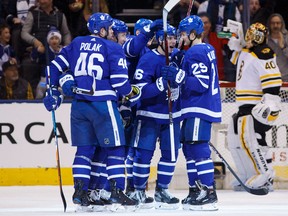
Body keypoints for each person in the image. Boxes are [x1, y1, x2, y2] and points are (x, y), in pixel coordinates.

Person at [42, 12, 141, 211]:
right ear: (103, 30)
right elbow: (120, 83)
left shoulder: (77, 43)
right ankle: (116, 194)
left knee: (84, 151)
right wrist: (132, 93)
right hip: (102, 105)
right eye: (110, 28)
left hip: (79, 106)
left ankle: (80, 193)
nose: (112, 32)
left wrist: (52, 90)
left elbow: (52, 67)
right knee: (115, 149)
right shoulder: (112, 47)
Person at [129, 24, 185, 209]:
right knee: (144, 154)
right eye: (168, 38)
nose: (172, 41)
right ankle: (138, 190)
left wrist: (178, 88)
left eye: (174, 38)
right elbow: (138, 90)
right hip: (149, 115)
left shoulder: (177, 57)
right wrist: (160, 84)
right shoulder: (147, 59)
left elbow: (186, 79)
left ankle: (162, 190)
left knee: (170, 155)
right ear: (159, 39)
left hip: (172, 116)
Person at [227, 22, 282, 192]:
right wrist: (236, 43)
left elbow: (273, 82)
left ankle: (264, 175)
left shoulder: (263, 53)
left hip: (255, 106)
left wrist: (271, 103)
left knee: (252, 141)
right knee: (234, 142)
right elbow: (236, 61)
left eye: (251, 36)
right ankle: (246, 175)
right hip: (242, 105)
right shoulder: (247, 51)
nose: (249, 38)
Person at [176, 15, 221, 211]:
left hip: (198, 106)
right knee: (189, 149)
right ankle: (195, 190)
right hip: (195, 107)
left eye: (184, 34)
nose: (181, 37)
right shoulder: (205, 49)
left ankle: (208, 192)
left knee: (198, 149)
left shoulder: (196, 52)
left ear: (193, 34)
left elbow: (201, 83)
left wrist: (180, 75)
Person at [21, 0, 72, 94]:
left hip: (55, 51)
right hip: (38, 51)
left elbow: (66, 33)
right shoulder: (33, 13)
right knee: (29, 64)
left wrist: (66, 48)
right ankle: (31, 97)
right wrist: (35, 42)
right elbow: (24, 33)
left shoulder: (60, 15)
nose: (41, 1)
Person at [34, 27, 63, 99]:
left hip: (60, 78)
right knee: (41, 87)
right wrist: (37, 50)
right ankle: (37, 102)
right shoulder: (45, 50)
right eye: (52, 38)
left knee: (63, 90)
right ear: (48, 41)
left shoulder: (63, 51)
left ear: (59, 40)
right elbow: (34, 57)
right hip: (46, 78)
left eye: (56, 38)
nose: (54, 40)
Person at [267, 13, 288, 82]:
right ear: (269, 25)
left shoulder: (287, 37)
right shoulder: (265, 39)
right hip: (270, 78)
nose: (275, 25)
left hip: (286, 77)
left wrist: (283, 47)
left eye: (278, 23)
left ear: (282, 24)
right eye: (273, 23)